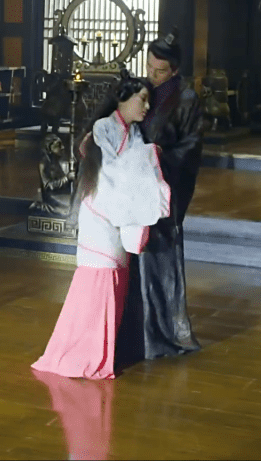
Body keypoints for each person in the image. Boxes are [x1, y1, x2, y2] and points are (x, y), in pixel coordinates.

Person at [31, 72, 172, 380]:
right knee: (99, 279)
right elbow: (111, 170)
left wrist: (146, 155)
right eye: (142, 99)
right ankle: (81, 354)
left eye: (149, 100)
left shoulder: (134, 134)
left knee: (116, 280)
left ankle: (102, 354)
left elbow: (133, 169)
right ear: (123, 98)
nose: (147, 106)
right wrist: (147, 156)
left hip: (119, 211)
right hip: (101, 210)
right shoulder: (103, 128)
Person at [115, 27, 205, 365]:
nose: (153, 75)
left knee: (159, 258)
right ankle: (132, 331)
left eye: (161, 71)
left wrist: (157, 159)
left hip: (164, 186)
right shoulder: (142, 90)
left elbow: (191, 146)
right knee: (132, 254)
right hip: (135, 186)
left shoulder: (187, 98)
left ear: (175, 70)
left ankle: (163, 333)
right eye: (150, 67)